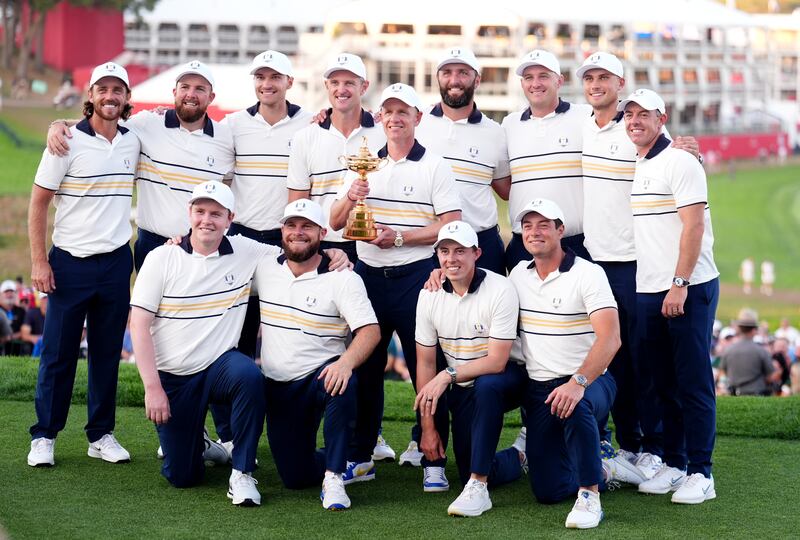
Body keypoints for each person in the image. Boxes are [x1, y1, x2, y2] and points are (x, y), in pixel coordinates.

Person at [330, 83, 462, 490]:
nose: (394, 118)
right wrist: (351, 196)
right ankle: (361, 454)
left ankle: (433, 457)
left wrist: (400, 237)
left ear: (418, 118)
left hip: (416, 278)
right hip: (369, 279)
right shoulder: (363, 163)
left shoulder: (433, 165)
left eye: (403, 111)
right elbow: (335, 222)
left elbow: (451, 223)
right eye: (388, 111)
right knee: (366, 370)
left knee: (428, 370)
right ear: (380, 118)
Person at [129, 181, 270, 506]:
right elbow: (138, 324)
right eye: (201, 211)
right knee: (182, 476)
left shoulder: (247, 251)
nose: (207, 220)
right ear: (190, 213)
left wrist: (332, 253)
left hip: (221, 367)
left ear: (229, 217)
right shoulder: (161, 258)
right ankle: (205, 447)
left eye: (216, 214)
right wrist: (153, 388)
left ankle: (243, 473)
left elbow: (294, 255)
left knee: (249, 376)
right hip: (175, 376)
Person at [26, 62, 139, 468]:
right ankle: (45, 435)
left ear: (127, 98)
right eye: (103, 89)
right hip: (70, 262)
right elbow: (38, 203)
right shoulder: (65, 141)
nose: (110, 96)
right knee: (58, 353)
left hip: (114, 263)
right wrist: (40, 262)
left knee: (107, 352)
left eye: (118, 90)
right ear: (90, 95)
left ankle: (100, 433)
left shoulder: (133, 140)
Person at [622, 89, 720, 504]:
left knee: (692, 381)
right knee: (663, 381)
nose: (635, 121)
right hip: (649, 287)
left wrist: (679, 283)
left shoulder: (680, 161)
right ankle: (676, 463)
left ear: (662, 120)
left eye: (645, 115)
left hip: (688, 286)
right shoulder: (642, 163)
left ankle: (702, 471)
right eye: (630, 115)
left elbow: (693, 227)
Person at [46, 60, 235, 272]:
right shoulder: (148, 123)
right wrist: (59, 124)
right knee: (148, 306)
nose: (190, 94)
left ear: (211, 97)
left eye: (200, 89)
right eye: (185, 87)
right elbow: (102, 124)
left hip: (205, 245)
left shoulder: (226, 138)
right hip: (152, 244)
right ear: (174, 92)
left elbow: (232, 185)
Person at [256, 199, 380, 510]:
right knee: (295, 477)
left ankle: (335, 476)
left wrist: (346, 362)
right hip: (281, 384)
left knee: (341, 381)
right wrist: (179, 240)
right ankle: (355, 458)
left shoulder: (344, 278)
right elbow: (216, 239)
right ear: (281, 231)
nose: (298, 232)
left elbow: (370, 331)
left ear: (322, 232)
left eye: (307, 226)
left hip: (320, 376)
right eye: (291, 226)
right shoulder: (264, 265)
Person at [508, 198, 624, 529]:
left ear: (561, 230)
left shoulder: (589, 274)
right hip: (541, 389)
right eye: (527, 226)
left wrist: (577, 383)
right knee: (549, 490)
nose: (534, 232)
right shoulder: (518, 274)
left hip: (592, 382)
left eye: (544, 225)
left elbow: (610, 339)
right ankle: (603, 469)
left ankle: (590, 497)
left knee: (574, 405)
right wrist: (439, 274)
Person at [414, 221, 524, 517]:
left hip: (508, 377)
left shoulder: (500, 288)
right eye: (445, 251)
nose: (452, 259)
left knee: (487, 384)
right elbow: (424, 362)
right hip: (464, 385)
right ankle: (520, 455)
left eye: (460, 251)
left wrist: (446, 375)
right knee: (468, 467)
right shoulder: (429, 294)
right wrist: (427, 428)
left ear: (477, 253)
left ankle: (479, 486)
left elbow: (497, 361)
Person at [222, 50, 313, 359]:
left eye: (275, 77)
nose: (267, 84)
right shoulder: (233, 124)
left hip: (286, 240)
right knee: (239, 333)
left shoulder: (310, 123)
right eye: (260, 77)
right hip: (241, 238)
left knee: (284, 330)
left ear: (289, 81)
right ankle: (239, 405)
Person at [415, 48, 510, 275]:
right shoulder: (416, 122)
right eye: (447, 72)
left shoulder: (495, 132)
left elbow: (505, 190)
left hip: (481, 243)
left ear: (477, 80)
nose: (454, 80)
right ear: (437, 77)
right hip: (428, 245)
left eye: (463, 73)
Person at [287, 53, 386, 263]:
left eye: (349, 83)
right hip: (322, 247)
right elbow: (298, 204)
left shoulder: (384, 133)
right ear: (326, 86)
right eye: (335, 82)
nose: (341, 90)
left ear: (364, 87)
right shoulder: (305, 137)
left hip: (374, 247)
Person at [502, 50, 593, 271]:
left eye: (543, 76)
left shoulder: (585, 116)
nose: (535, 83)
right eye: (528, 78)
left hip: (575, 243)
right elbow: (502, 181)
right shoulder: (509, 124)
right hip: (524, 244)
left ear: (559, 81)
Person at [1, 279, 28, 355]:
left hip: (18, 348)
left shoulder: (21, 311)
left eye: (12, 292)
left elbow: (26, 329)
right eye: (6, 292)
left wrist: (11, 337)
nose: (9, 295)